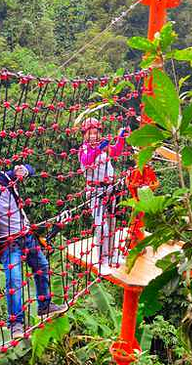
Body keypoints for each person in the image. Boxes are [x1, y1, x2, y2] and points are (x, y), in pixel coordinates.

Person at [0, 153, 66, 339]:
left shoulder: (4, 177)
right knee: (14, 280)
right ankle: (16, 324)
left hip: (26, 235)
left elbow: (28, 169)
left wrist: (25, 170)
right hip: (7, 243)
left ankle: (45, 306)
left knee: (42, 267)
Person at [78, 118, 129, 275]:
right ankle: (102, 261)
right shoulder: (83, 149)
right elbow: (87, 162)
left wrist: (121, 137)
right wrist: (100, 147)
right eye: (90, 133)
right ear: (85, 135)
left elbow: (116, 152)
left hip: (109, 190)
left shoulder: (103, 147)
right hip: (94, 192)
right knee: (101, 227)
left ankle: (113, 256)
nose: (93, 136)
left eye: (95, 133)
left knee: (112, 224)